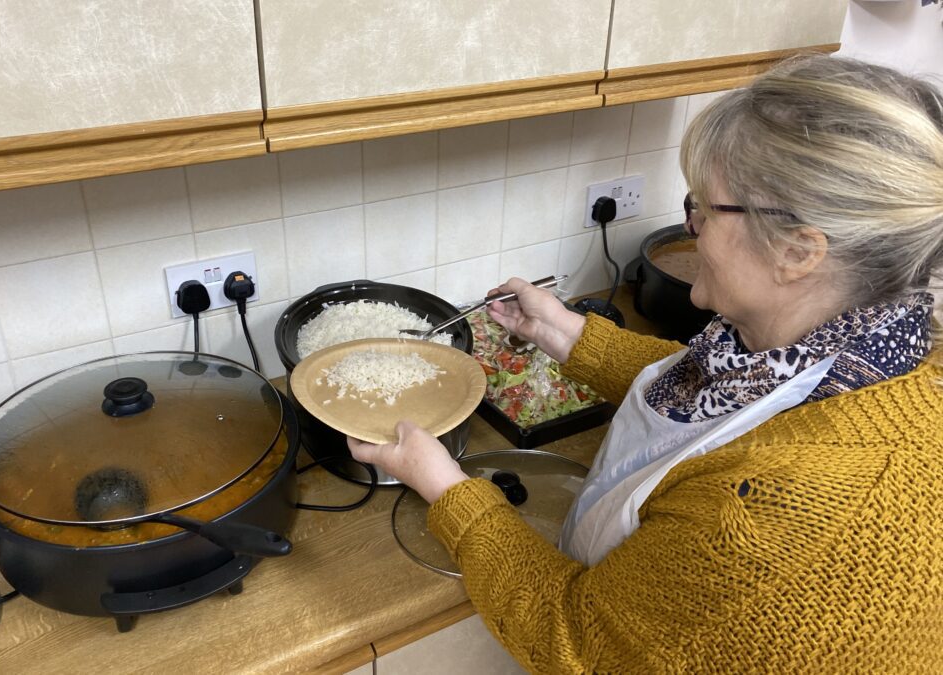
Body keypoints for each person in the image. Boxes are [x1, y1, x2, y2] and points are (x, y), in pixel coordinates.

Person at [348, 55, 943, 673]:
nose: (691, 229)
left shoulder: (767, 515)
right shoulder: (874, 354)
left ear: (798, 250)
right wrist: (563, 331)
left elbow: (576, 637)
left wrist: (445, 487)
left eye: (706, 210)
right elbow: (724, 393)